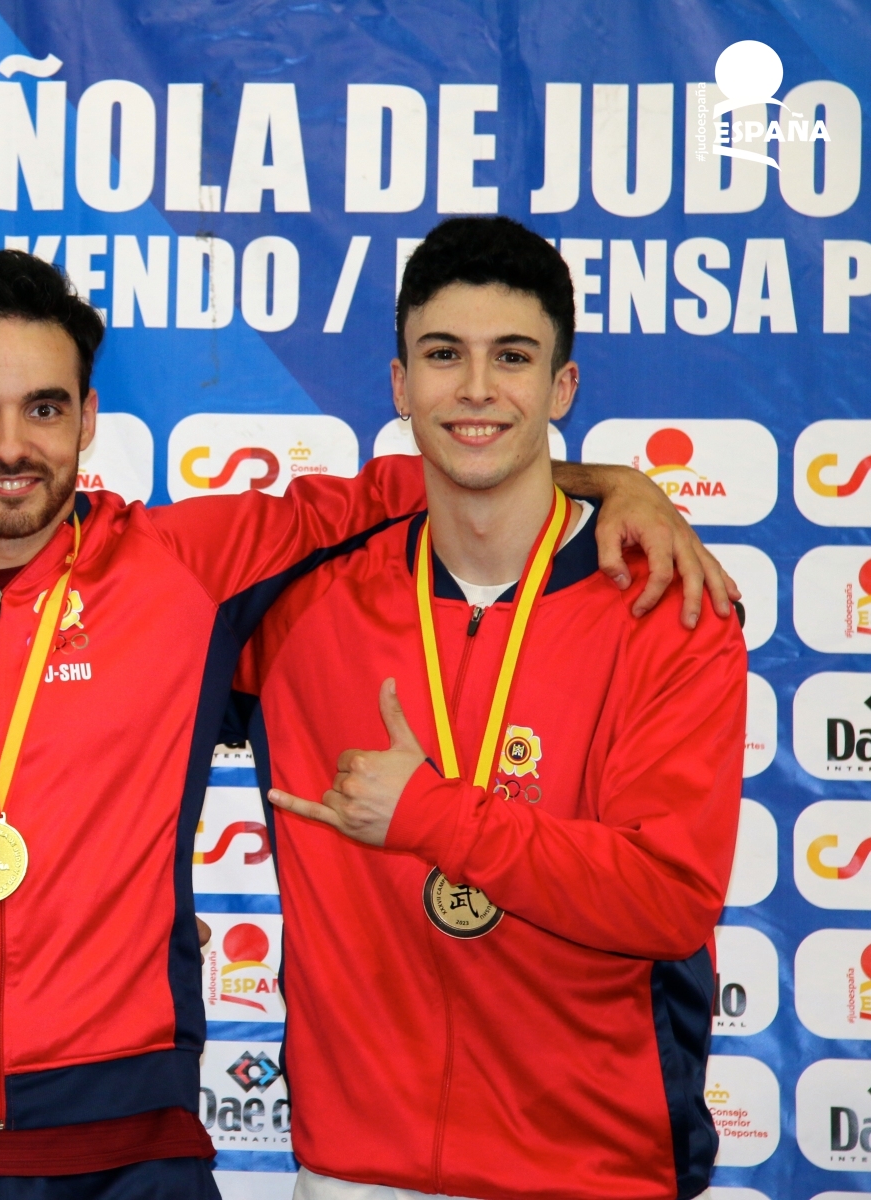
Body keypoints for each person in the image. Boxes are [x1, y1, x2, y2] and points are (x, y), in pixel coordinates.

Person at [0, 249, 729, 1199]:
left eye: (42, 408)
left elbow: (457, 469)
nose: (8, 446)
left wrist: (615, 482)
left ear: (86, 417)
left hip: (132, 1144)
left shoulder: (184, 574)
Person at [234, 216, 747, 1200]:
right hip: (356, 1175)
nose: (475, 388)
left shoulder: (667, 608)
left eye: (512, 357)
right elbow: (76, 578)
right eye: (443, 355)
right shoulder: (301, 600)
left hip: (591, 1174)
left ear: (563, 386)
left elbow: (668, 897)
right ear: (400, 385)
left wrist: (434, 817)